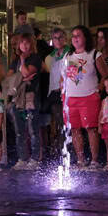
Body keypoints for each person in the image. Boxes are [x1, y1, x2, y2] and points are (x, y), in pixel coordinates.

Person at [64, 25, 108, 168]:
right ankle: (80, 160)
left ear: (86, 38)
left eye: (78, 35)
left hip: (89, 97)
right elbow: (64, 78)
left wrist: (98, 90)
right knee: (75, 129)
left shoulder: (94, 54)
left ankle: (94, 160)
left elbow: (106, 75)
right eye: (73, 36)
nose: (75, 38)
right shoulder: (68, 56)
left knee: (91, 129)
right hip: (72, 98)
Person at [9, 34, 44, 169]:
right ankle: (22, 158)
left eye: (27, 42)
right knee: (19, 130)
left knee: (33, 129)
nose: (24, 45)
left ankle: (35, 159)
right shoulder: (15, 60)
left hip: (30, 96)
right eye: (21, 42)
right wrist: (22, 77)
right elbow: (10, 78)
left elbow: (26, 73)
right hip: (17, 98)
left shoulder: (35, 58)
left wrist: (23, 62)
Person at [43, 28, 72, 158]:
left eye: (60, 37)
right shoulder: (50, 57)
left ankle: (66, 149)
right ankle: (60, 149)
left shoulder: (70, 53)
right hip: (54, 92)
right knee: (58, 121)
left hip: (68, 92)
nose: (58, 40)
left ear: (65, 38)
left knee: (66, 121)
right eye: (55, 38)